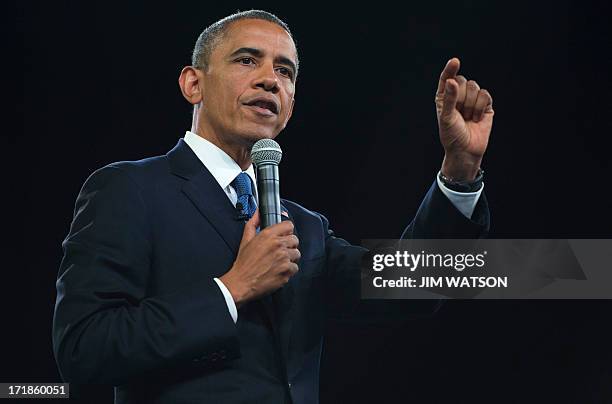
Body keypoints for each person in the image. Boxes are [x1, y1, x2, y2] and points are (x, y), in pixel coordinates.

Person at [52, 10, 492, 404]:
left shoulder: (305, 227)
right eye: (247, 60)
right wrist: (232, 289)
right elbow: (85, 348)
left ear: (292, 102)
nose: (270, 79)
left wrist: (459, 169)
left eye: (286, 71)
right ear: (193, 83)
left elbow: (412, 285)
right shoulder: (130, 189)